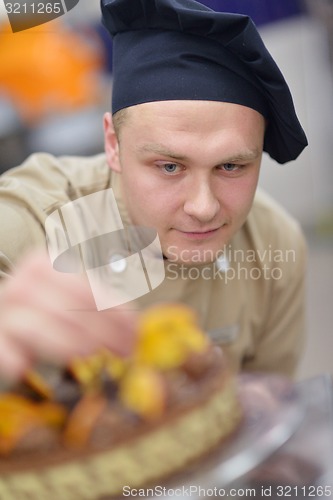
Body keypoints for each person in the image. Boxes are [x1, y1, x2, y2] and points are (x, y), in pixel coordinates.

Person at [0, 0, 308, 382]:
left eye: (230, 166)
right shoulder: (26, 225)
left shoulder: (274, 246)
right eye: (169, 166)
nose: (203, 207)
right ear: (112, 143)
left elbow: (271, 408)